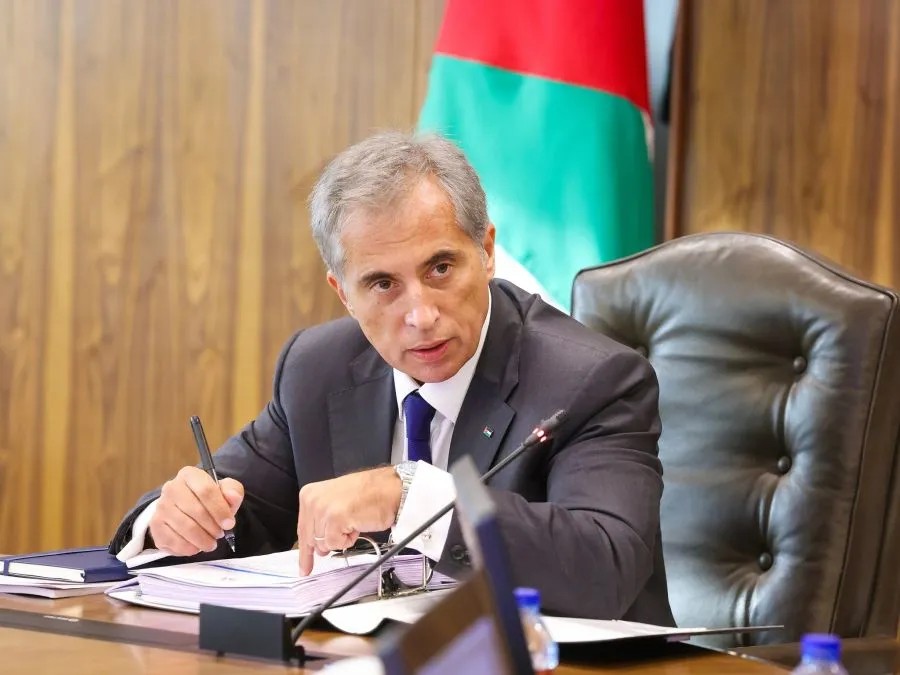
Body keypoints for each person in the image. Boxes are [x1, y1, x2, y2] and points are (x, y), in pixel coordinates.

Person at [109, 131, 674, 624]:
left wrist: (408, 498)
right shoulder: (317, 369)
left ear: (487, 251)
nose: (421, 315)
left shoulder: (590, 381)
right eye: (382, 284)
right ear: (343, 293)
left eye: (441, 268)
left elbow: (606, 566)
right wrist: (174, 521)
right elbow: (241, 515)